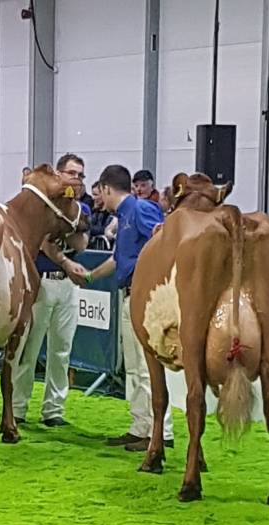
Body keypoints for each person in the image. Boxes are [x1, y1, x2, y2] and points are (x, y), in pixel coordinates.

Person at [85, 164, 174, 451]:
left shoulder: (139, 210)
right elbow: (118, 259)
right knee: (135, 368)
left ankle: (162, 432)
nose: (99, 199)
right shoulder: (124, 216)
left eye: (101, 192)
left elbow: (162, 242)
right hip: (129, 295)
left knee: (147, 368)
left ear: (108, 189)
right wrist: (88, 276)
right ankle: (141, 427)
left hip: (143, 298)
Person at [12, 154, 90, 427]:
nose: (76, 179)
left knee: (61, 349)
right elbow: (44, 242)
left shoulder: (81, 207)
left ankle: (53, 410)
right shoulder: (44, 203)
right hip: (42, 280)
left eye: (80, 175)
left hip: (67, 286)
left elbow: (81, 241)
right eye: (71, 173)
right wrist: (67, 261)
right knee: (29, 347)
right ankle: (17, 407)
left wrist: (69, 230)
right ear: (58, 174)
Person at [89, 180, 116, 249]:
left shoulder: (114, 213)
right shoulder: (95, 212)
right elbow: (88, 227)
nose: (93, 198)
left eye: (95, 195)